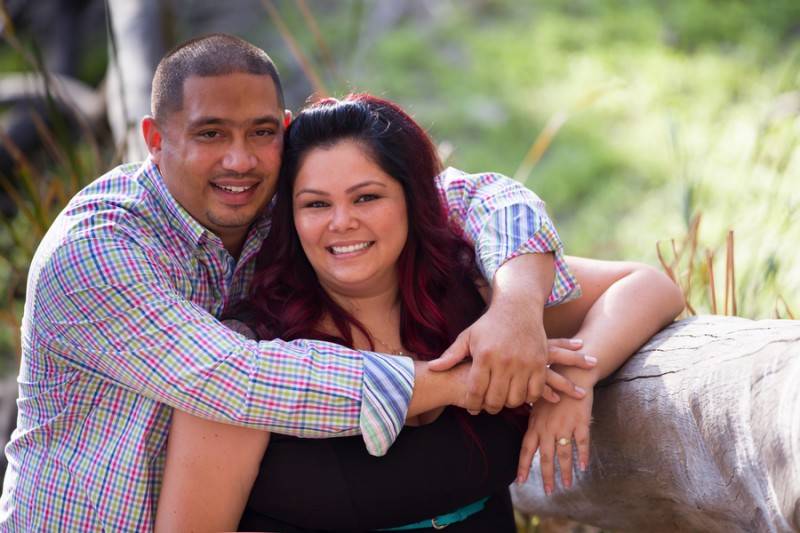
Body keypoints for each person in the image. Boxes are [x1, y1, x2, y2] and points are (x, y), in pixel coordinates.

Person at [0, 34, 588, 531]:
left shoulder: (276, 196)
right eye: (210, 134)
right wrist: (462, 382)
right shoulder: (97, 250)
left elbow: (482, 196)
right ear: (156, 139)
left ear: (282, 130)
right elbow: (236, 379)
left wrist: (516, 309)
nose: (240, 159)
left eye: (259, 132)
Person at [155, 94, 684, 531]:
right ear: (290, 219)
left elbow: (648, 285)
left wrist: (573, 375)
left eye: (366, 198)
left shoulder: (477, 299)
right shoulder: (248, 355)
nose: (341, 222)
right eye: (316, 204)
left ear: (413, 201)